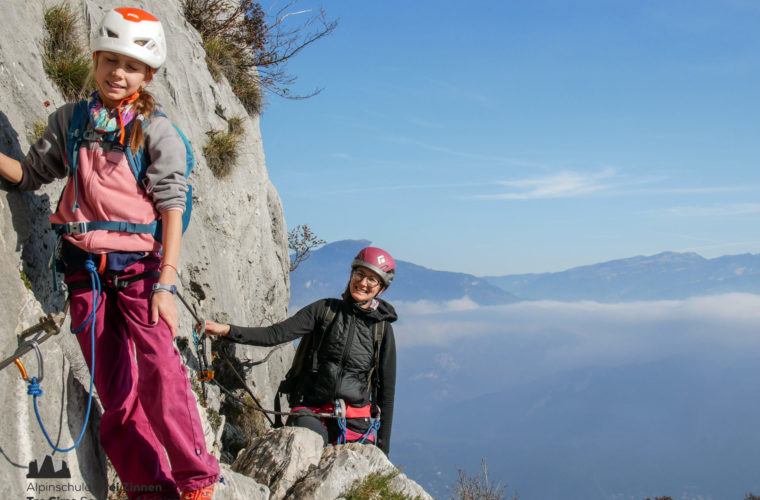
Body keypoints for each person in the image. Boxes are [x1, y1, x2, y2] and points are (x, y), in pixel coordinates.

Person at [0, 7, 218, 500]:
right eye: (110, 61)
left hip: (142, 272)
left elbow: (171, 208)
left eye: (132, 66)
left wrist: (166, 284)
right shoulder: (71, 121)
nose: (118, 73)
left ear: (148, 75)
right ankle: (149, 490)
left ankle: (196, 479)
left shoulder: (157, 131)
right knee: (116, 394)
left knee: (162, 372)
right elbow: (32, 173)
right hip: (85, 273)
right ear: (95, 60)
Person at [202, 246, 398, 455]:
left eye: (372, 279)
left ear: (381, 288)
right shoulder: (325, 310)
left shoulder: (382, 330)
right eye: (359, 274)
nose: (363, 283)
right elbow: (276, 334)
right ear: (352, 275)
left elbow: (386, 392)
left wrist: (382, 451)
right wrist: (227, 330)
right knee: (308, 449)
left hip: (357, 421)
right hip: (312, 412)